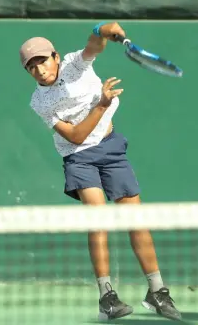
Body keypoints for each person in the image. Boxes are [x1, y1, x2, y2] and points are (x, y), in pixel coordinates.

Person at [18, 22, 182, 322]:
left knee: (136, 220)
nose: (39, 70)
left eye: (42, 61)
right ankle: (107, 297)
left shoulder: (74, 64)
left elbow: (94, 44)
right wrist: (101, 104)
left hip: (110, 148)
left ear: (55, 57)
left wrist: (104, 28)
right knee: (99, 220)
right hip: (78, 158)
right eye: (31, 67)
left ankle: (157, 291)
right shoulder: (39, 101)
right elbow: (76, 137)